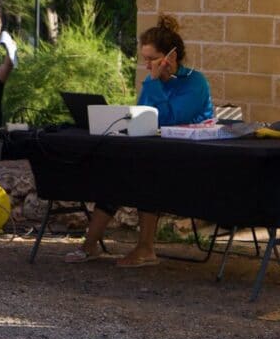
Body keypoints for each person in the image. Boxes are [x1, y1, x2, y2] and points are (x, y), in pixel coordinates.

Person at [66, 15, 213, 268]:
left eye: (152, 59)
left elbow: (169, 118)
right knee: (119, 174)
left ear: (171, 57)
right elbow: (142, 116)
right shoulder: (151, 82)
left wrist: (155, 84)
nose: (147, 66)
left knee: (146, 174)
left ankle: (145, 248)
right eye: (145, 59)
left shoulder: (194, 83)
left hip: (190, 157)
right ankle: (89, 245)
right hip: (156, 153)